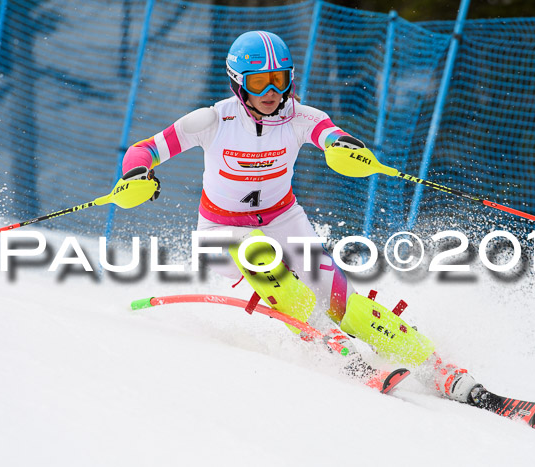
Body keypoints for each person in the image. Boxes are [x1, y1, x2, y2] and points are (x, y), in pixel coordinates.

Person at [120, 30, 483, 405]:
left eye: (280, 80)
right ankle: (329, 344)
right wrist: (137, 174)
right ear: (237, 84)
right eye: (259, 83)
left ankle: (440, 369)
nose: (272, 92)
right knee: (256, 253)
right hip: (220, 232)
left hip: (283, 220)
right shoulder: (213, 120)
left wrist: (343, 147)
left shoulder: (301, 118)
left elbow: (331, 135)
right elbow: (144, 149)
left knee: (345, 301)